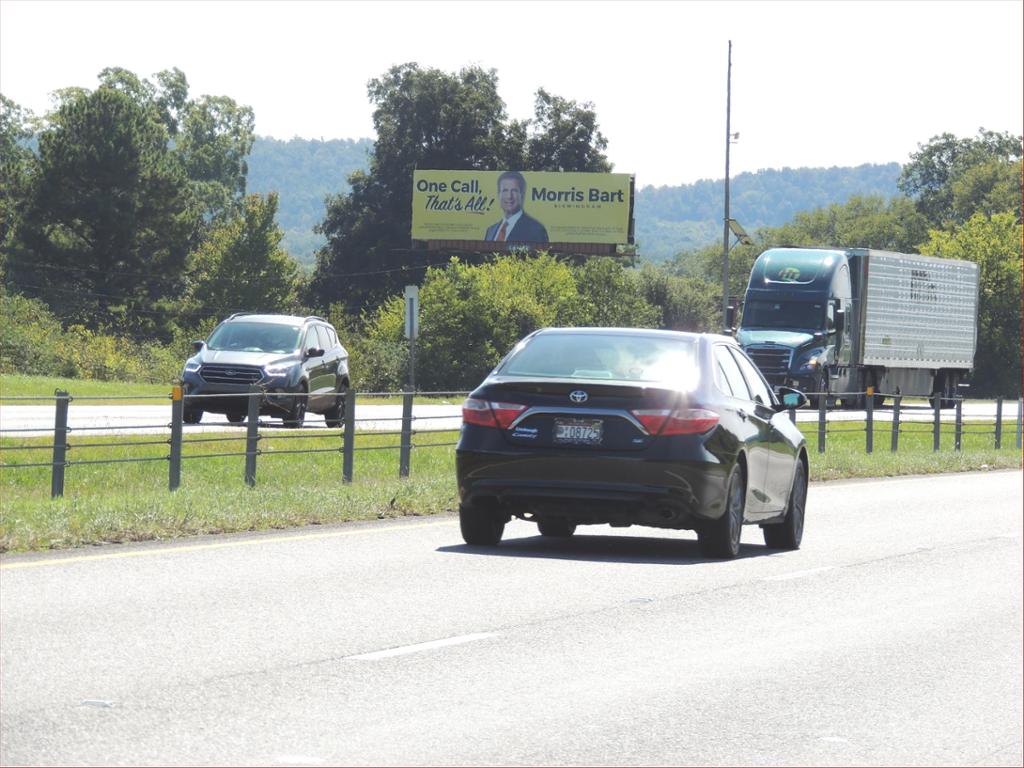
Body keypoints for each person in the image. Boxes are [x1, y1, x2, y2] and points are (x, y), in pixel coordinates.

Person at [484, 171, 549, 243]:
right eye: (505, 191)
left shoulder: (536, 230)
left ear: (522, 194)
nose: (509, 196)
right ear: (499, 194)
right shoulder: (490, 231)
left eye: (514, 191)